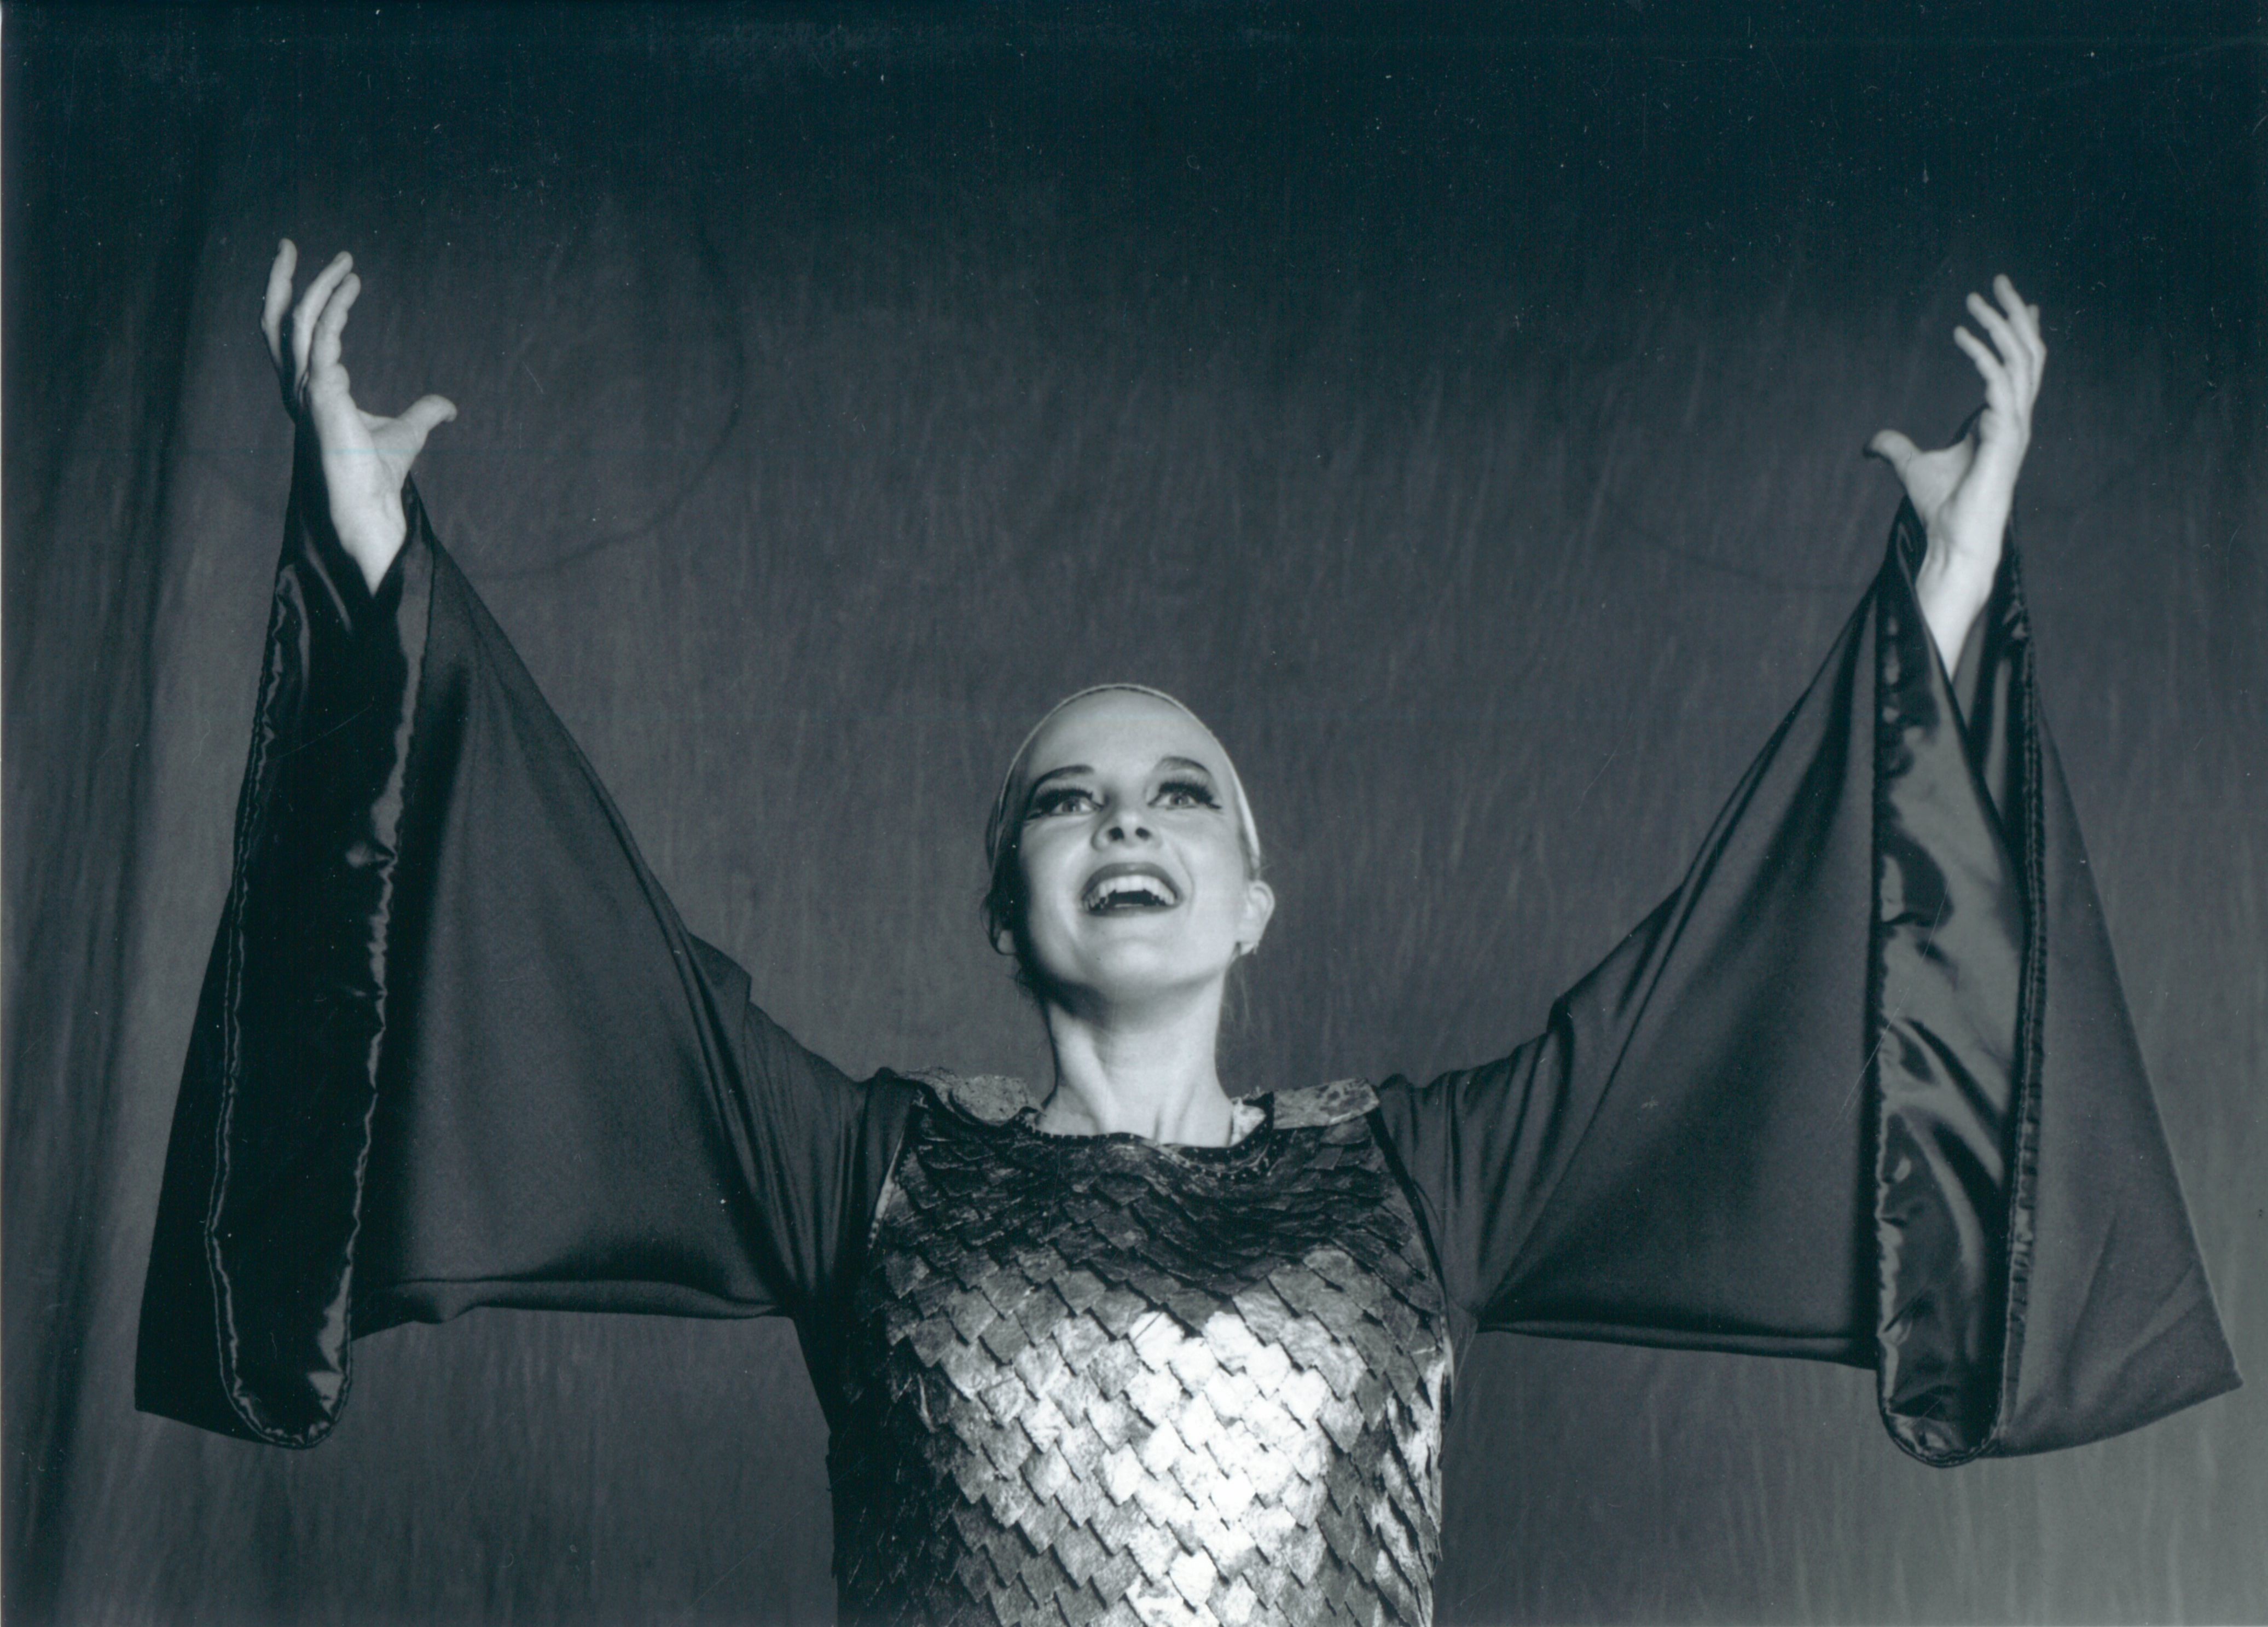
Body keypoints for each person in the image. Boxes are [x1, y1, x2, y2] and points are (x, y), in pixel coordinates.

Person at [137, 242, 2237, 1627]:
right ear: (1003, 908)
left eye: (1178, 795)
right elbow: (562, 927)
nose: (1124, 820)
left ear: (1253, 900)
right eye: (1066, 800)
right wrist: (377, 563)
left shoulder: (1423, 1179)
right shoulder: (864, 1172)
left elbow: (1754, 965)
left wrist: (1941, 609)